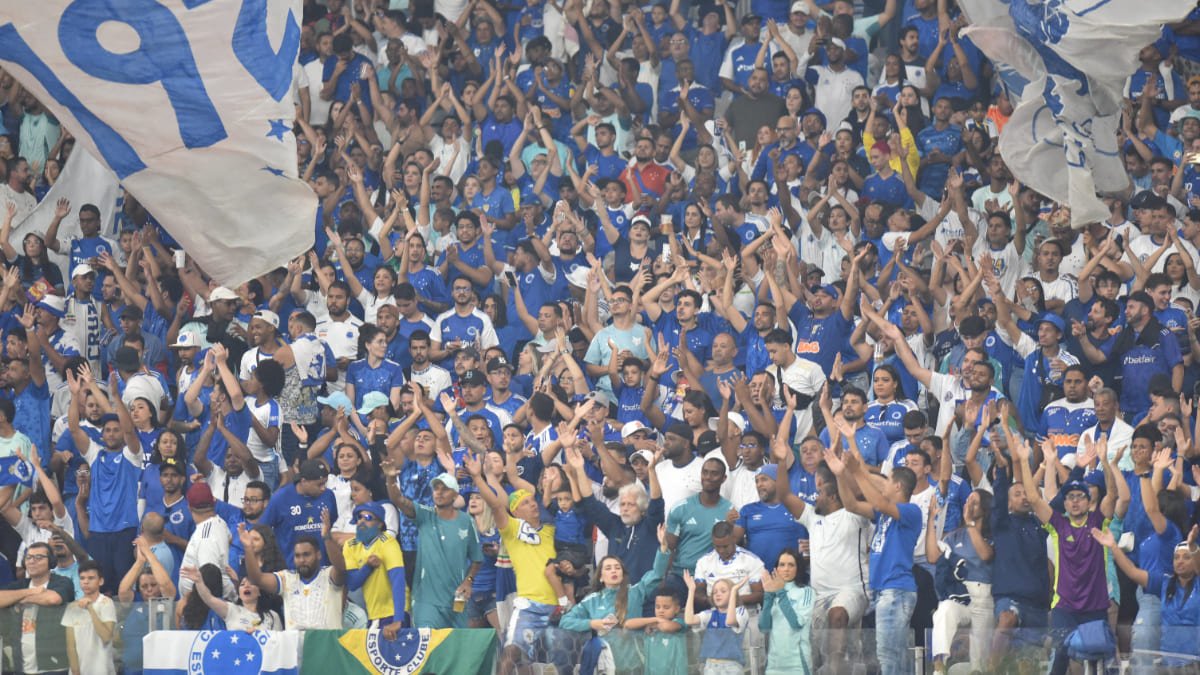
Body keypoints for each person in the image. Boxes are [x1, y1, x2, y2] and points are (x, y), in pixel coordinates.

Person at [826, 424, 922, 675]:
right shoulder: (884, 516)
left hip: (896, 590)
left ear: (899, 486)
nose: (884, 485)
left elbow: (878, 500)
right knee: (891, 657)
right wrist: (839, 474)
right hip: (885, 591)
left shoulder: (911, 512)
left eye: (888, 481)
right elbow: (851, 505)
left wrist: (858, 471)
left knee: (889, 657)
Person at [385, 466, 482, 629]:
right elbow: (399, 500)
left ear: (456, 494)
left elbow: (477, 558)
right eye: (436, 488)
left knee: (452, 650)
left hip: (455, 601)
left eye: (445, 489)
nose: (439, 492)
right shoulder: (425, 515)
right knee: (427, 645)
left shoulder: (466, 522)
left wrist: (468, 581)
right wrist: (390, 480)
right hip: (426, 602)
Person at [0, 541, 74, 674]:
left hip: (54, 665)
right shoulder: (21, 585)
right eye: (28, 557)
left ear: (50, 561)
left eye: (38, 557)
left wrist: (19, 599)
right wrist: (31, 592)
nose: (32, 561)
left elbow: (53, 599)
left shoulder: (62, 582)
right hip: (21, 665)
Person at [339, 500, 407, 636]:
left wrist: (398, 620)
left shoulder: (388, 543)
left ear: (380, 524)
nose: (362, 522)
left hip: (394, 614)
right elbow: (352, 584)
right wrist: (367, 567)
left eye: (368, 518)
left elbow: (398, 580)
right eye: (359, 517)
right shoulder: (350, 546)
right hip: (373, 614)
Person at [758, 548, 816, 675]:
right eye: (782, 565)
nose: (786, 569)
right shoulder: (772, 592)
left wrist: (781, 593)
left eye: (791, 565)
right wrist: (768, 596)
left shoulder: (806, 592)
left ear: (798, 568)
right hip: (773, 666)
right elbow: (764, 628)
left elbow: (797, 624)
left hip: (798, 665)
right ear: (776, 568)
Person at [683, 570, 749, 674]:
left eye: (723, 591)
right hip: (710, 666)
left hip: (732, 666)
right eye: (715, 592)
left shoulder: (740, 611)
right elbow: (689, 620)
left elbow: (730, 621)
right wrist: (691, 591)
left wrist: (734, 591)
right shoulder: (710, 614)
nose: (718, 594)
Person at [179, 566, 281, 631]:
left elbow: (278, 645)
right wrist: (199, 582)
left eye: (251, 584)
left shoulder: (273, 616)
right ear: (239, 593)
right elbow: (209, 598)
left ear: (260, 591)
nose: (246, 586)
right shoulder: (231, 610)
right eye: (242, 584)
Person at [61, 560, 116, 675]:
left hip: (102, 670)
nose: (86, 582)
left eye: (91, 578)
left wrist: (90, 608)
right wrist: (76, 671)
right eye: (82, 578)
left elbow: (106, 637)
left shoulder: (106, 603)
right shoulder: (72, 607)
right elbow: (70, 646)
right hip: (79, 671)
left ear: (100, 581)